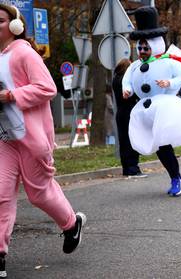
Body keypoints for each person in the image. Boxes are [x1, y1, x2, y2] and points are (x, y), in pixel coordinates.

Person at [0, 4, 86, 277]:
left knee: (38, 194)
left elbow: (47, 88)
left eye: (0, 21)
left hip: (30, 137)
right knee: (1, 195)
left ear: (14, 25)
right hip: (4, 139)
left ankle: (71, 224)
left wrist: (10, 96)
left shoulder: (23, 52)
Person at [122, 6, 181, 197]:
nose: (143, 51)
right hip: (145, 109)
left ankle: (176, 178)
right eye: (140, 47)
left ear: (155, 45)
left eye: (146, 47)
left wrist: (168, 82)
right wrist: (127, 89)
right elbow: (126, 79)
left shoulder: (169, 62)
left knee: (163, 145)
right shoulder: (135, 66)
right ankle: (176, 176)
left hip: (165, 107)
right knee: (159, 147)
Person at [112, 58, 147, 178]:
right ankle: (133, 168)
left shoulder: (115, 79)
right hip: (129, 112)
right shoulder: (126, 81)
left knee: (124, 141)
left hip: (120, 112)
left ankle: (126, 168)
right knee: (132, 140)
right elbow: (134, 94)